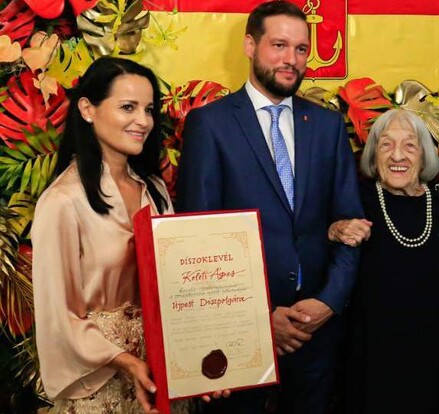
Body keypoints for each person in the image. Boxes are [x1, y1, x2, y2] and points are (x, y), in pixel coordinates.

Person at [175, 1, 363, 413]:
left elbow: (351, 225)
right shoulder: (211, 125)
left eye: (300, 48)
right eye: (279, 45)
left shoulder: (328, 126)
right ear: (249, 45)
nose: (291, 59)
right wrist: (259, 318)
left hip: (317, 331)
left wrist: (329, 302)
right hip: (238, 336)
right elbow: (197, 242)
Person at [31, 57, 187, 413]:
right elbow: (59, 315)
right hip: (100, 384)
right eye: (128, 108)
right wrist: (126, 361)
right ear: (87, 108)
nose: (143, 121)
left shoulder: (154, 190)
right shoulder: (63, 201)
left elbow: (179, 284)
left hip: (161, 375)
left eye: (149, 109)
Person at [328, 109, 439, 414]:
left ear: (424, 155)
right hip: (374, 357)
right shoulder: (358, 198)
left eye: (410, 145)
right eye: (386, 145)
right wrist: (335, 229)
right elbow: (314, 234)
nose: (398, 155)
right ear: (373, 153)